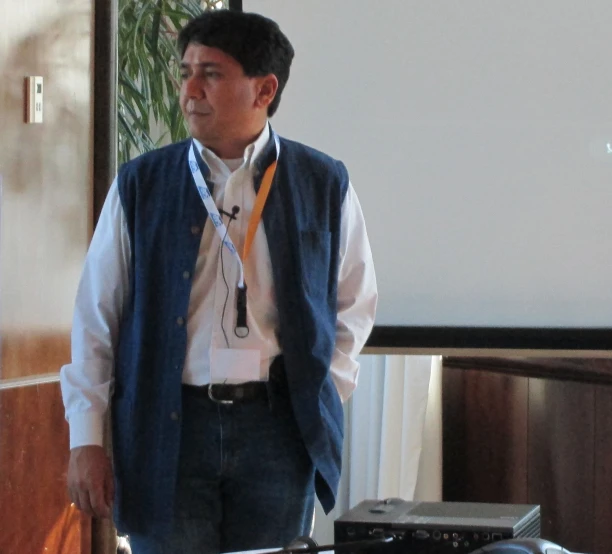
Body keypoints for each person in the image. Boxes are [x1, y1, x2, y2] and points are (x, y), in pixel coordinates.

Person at [60, 10, 377, 554]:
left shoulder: (323, 182)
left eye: (210, 73)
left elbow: (355, 305)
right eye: (186, 72)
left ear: (264, 88)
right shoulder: (142, 184)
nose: (188, 90)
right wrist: (86, 438)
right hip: (168, 427)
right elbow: (97, 316)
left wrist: (319, 394)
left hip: (277, 432)